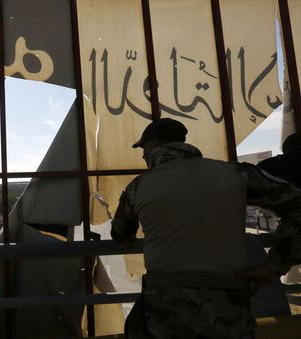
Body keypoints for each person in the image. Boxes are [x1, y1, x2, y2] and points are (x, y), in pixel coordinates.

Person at [111, 118, 301, 338]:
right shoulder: (235, 174)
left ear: (153, 145)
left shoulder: (137, 187)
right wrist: (275, 265)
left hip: (164, 313)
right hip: (229, 309)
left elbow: (121, 237)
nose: (143, 156)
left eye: (143, 149)